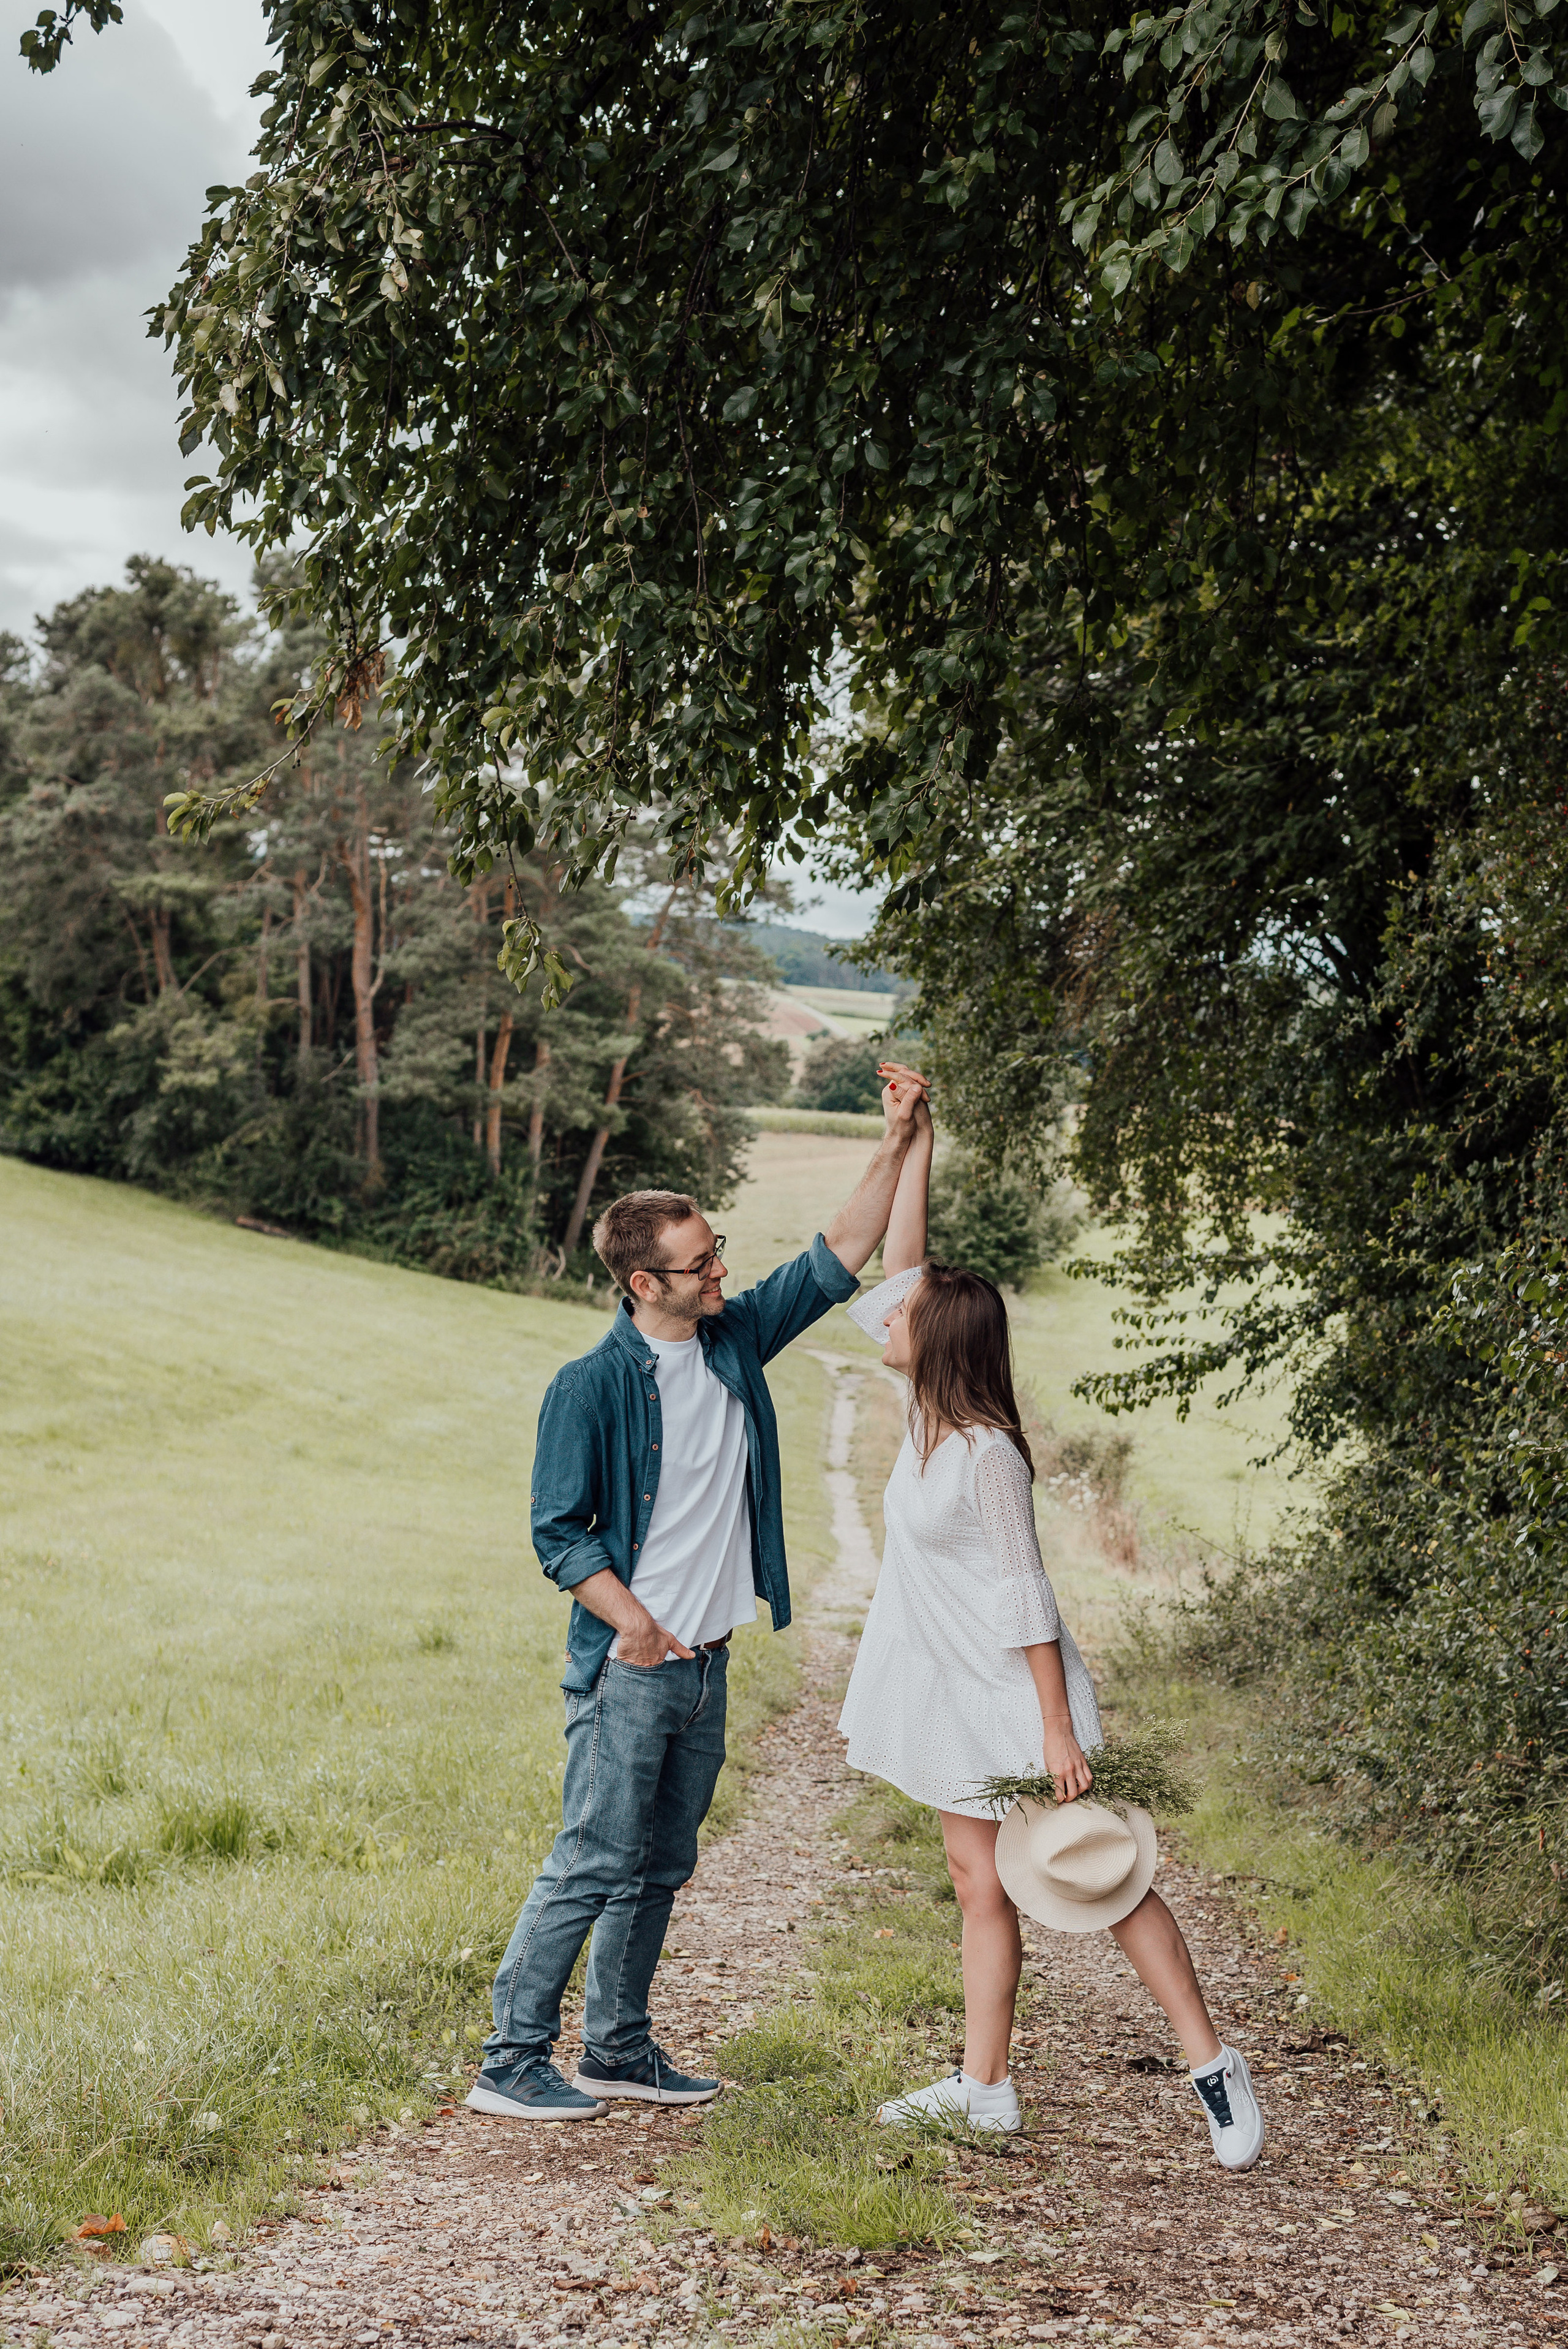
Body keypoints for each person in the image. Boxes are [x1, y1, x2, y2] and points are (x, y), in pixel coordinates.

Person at [467, 1062, 932, 2122]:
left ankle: (618, 2049)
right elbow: (557, 1533)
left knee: (660, 1865)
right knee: (592, 1858)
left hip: (707, 1660)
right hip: (632, 1666)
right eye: (701, 1260)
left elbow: (838, 1257)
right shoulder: (589, 1385)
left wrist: (896, 1141)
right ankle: (511, 2059)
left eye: (717, 1250)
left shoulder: (732, 1340)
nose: (722, 1268)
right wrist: (633, 1624)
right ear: (645, 1282)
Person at [835, 1103, 1265, 2169]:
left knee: (1104, 1876)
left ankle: (1215, 2067)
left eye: (906, 1312)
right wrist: (916, 1142)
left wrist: (1056, 1728)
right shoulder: (926, 1423)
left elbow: (1029, 1593)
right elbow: (905, 1268)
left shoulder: (985, 1452)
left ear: (938, 1338)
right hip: (948, 1690)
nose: (885, 1314)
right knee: (980, 1883)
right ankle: (986, 2089)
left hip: (1016, 1693)